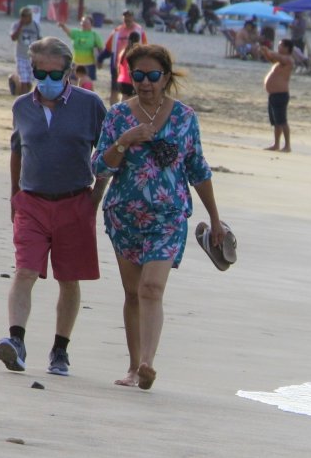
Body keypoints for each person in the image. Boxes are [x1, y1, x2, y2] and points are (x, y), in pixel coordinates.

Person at [92, 44, 226, 390]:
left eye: (153, 76)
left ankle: (148, 364)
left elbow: (198, 169)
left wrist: (214, 218)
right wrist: (124, 141)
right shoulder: (119, 116)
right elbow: (100, 166)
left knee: (152, 287)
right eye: (138, 76)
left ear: (166, 77)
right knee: (133, 293)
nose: (145, 83)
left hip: (168, 217)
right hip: (124, 216)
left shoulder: (184, 118)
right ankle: (134, 367)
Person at [0, 36, 109, 377]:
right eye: (39, 72)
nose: (46, 80)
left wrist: (95, 196)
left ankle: (60, 350)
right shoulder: (22, 107)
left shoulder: (90, 105)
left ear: (70, 71)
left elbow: (106, 154)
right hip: (31, 201)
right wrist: (15, 195)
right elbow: (17, 151)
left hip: (75, 201)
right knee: (25, 271)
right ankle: (16, 341)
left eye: (54, 74)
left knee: (68, 279)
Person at [259, 39, 294, 152]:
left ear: (287, 48)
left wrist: (269, 51)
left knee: (282, 121)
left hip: (281, 94)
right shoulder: (279, 62)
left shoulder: (288, 59)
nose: (278, 48)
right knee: (276, 122)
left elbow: (278, 57)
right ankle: (276, 144)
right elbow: (271, 58)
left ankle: (287, 145)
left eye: (280, 46)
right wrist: (265, 52)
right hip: (273, 95)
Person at [105, 10, 146, 104]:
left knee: (124, 98)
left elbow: (145, 46)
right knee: (119, 93)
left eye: (129, 16)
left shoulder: (139, 30)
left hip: (123, 76)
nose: (127, 18)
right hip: (127, 75)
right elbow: (108, 47)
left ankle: (118, 113)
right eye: (125, 16)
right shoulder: (117, 31)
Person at [10, 7, 41, 95]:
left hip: (32, 58)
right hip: (21, 56)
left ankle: (24, 95)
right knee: (23, 80)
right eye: (23, 16)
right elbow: (13, 38)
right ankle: (23, 100)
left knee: (29, 82)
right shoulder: (16, 25)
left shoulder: (35, 26)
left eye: (27, 16)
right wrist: (20, 26)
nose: (25, 18)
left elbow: (39, 39)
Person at [59, 15, 102, 81]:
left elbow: (100, 48)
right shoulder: (76, 33)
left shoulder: (94, 35)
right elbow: (68, 32)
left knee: (86, 85)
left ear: (91, 24)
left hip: (89, 65)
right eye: (82, 22)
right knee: (72, 83)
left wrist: (100, 61)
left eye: (86, 22)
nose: (83, 24)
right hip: (76, 63)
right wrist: (63, 26)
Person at [116, 31, 142, 99]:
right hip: (131, 81)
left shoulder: (123, 52)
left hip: (121, 80)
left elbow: (118, 67)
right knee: (133, 103)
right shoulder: (137, 53)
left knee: (123, 100)